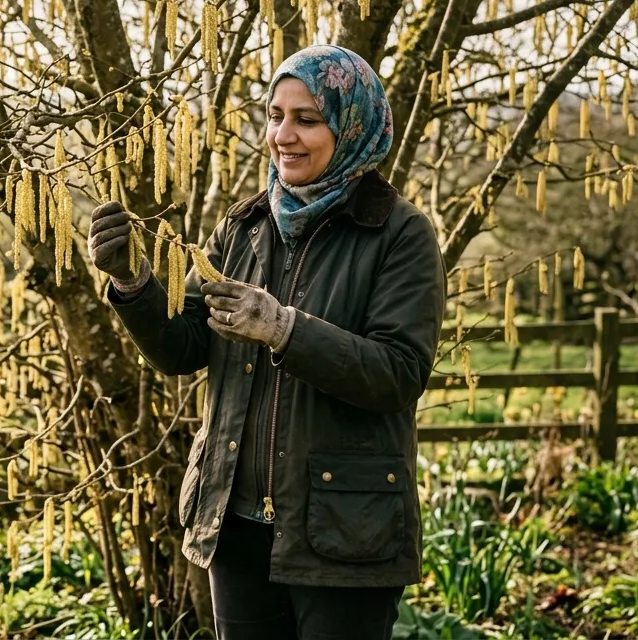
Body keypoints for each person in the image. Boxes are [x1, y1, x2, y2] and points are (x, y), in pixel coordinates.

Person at [87, 45, 446, 640]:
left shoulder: (398, 234)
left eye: (307, 119)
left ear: (351, 126)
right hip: (237, 525)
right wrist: (134, 282)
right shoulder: (246, 226)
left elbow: (399, 374)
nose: (284, 135)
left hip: (342, 533)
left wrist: (285, 329)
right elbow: (185, 348)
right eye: (277, 116)